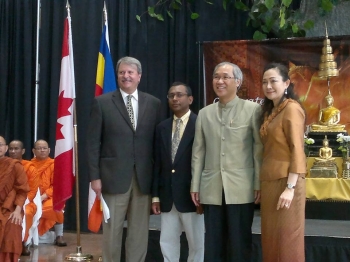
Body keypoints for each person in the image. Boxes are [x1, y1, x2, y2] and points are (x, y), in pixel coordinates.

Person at [87, 56, 161, 262]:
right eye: (122, 72)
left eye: (130, 72)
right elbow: (93, 143)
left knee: (139, 233)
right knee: (112, 232)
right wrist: (95, 177)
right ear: (117, 76)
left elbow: (157, 144)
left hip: (143, 179)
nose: (126, 76)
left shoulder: (154, 104)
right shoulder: (102, 103)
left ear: (139, 76)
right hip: (112, 179)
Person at [191, 62, 263, 261]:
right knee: (213, 244)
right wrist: (195, 185)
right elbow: (198, 152)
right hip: (211, 188)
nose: (219, 81)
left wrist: (258, 183)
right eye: (216, 77)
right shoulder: (205, 113)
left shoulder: (252, 110)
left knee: (239, 244)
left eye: (225, 77)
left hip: (241, 188)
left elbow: (258, 150)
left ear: (238, 82)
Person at [152, 82, 204, 262]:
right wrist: (156, 196)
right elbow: (157, 163)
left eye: (179, 95)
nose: (175, 98)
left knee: (197, 244)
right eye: (171, 95)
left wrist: (202, 193)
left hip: (193, 197)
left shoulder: (201, 124)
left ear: (190, 99)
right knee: (167, 242)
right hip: (167, 197)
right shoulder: (162, 127)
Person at [259, 62, 306, 261]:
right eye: (264, 82)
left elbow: (297, 149)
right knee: (271, 241)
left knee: (287, 242)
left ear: (286, 83)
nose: (268, 86)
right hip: (270, 182)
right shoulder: (270, 110)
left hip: (287, 183)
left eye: (273, 81)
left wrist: (290, 187)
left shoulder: (292, 109)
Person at [31, 139, 66, 246]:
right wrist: (34, 197)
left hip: (49, 197)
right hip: (32, 197)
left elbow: (57, 185)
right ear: (34, 151)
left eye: (44, 148)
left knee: (55, 208)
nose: (42, 150)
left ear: (49, 150)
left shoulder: (54, 164)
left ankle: (59, 235)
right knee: (30, 209)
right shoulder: (29, 165)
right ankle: (31, 236)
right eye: (39, 148)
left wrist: (42, 197)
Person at [0, 136, 29, 262]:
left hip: (10, 207)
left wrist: (17, 211)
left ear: (6, 148)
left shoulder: (14, 165)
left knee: (12, 225)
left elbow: (22, 191)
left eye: (0, 145)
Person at [8, 140, 39, 256]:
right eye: (11, 149)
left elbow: (32, 190)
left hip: (26, 201)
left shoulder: (30, 167)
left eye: (16, 149)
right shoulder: (5, 165)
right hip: (6, 200)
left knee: (26, 212)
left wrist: (18, 203)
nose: (13, 151)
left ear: (23, 151)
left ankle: (23, 243)